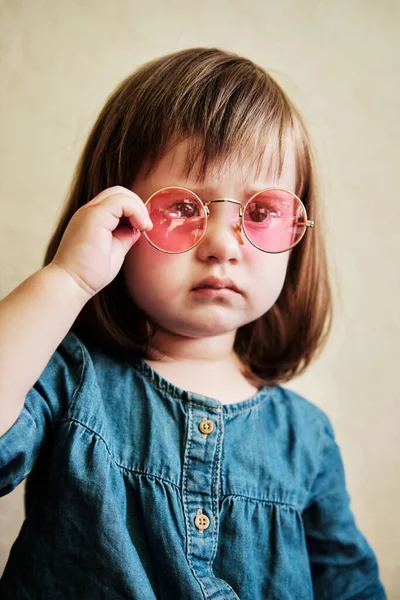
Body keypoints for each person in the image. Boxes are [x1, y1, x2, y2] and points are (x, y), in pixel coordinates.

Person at [0, 47, 386, 599]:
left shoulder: (308, 439)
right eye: (182, 207)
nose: (223, 246)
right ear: (116, 218)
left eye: (259, 212)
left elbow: (351, 588)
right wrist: (68, 280)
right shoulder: (70, 377)